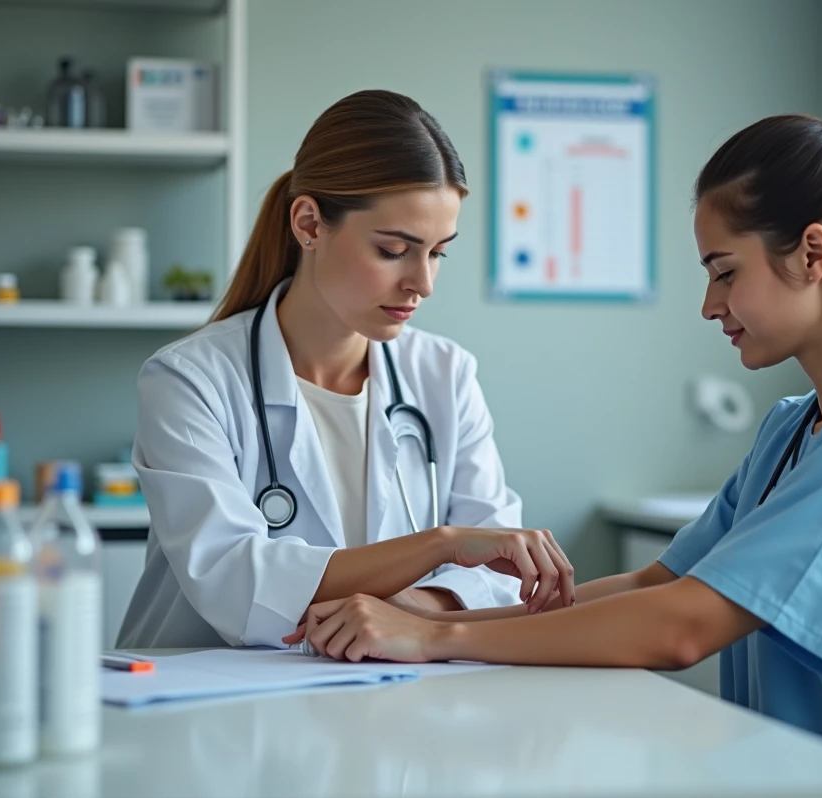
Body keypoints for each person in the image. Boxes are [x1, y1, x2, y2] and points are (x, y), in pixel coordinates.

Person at [284, 97, 822, 784]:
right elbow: (658, 584)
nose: (709, 305)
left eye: (724, 272)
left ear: (813, 253)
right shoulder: (794, 428)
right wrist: (434, 620)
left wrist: (435, 640)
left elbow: (681, 628)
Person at [118, 90, 574, 650]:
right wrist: (441, 546)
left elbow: (500, 576)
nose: (422, 283)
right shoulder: (190, 380)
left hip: (383, 705)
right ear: (309, 224)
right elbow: (237, 586)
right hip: (205, 712)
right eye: (393, 250)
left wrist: (408, 610)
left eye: (437, 252)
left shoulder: (444, 374)